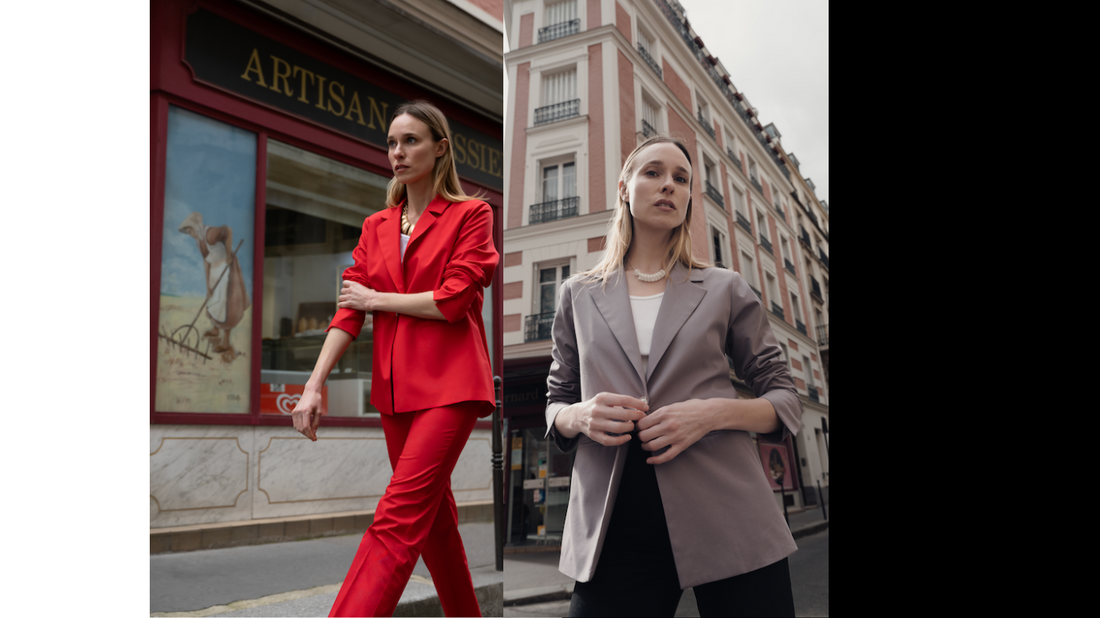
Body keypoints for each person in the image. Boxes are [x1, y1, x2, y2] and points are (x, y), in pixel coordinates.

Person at [545, 136, 802, 617]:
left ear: (687, 200)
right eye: (653, 173)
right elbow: (556, 401)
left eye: (681, 179)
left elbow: (784, 398)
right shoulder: (577, 294)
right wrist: (578, 416)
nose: (668, 185)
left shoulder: (725, 287)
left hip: (729, 509)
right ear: (624, 188)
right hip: (613, 521)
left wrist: (712, 414)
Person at [289, 100, 498, 617]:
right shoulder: (375, 226)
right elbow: (346, 313)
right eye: (391, 143)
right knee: (435, 525)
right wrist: (315, 384)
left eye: (411, 141)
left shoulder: (472, 214)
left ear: (440, 148)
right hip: (394, 393)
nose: (398, 153)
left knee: (398, 519)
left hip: (451, 388)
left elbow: (452, 301)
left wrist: (375, 300)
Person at [178, 211, 250, 355]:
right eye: (188, 232)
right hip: (214, 269)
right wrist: (208, 286)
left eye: (190, 230)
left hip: (225, 267)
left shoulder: (210, 234)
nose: (190, 234)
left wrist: (229, 255)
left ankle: (226, 342)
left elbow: (228, 231)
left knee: (225, 303)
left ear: (196, 226)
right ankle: (215, 329)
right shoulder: (199, 241)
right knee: (212, 299)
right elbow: (206, 261)